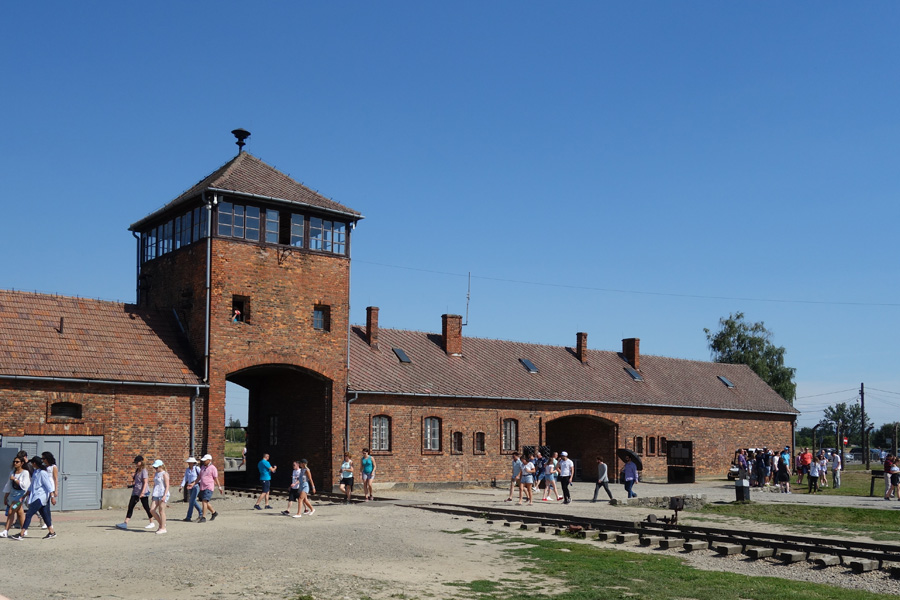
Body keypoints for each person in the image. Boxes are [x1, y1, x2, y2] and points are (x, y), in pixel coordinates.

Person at [10, 456, 56, 540]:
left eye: (32, 463)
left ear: (34, 463)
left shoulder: (43, 473)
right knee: (44, 514)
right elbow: (32, 486)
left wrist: (52, 497)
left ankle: (22, 533)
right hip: (35, 496)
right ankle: (52, 532)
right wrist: (25, 495)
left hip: (40, 497)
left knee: (29, 514)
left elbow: (49, 486)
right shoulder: (36, 472)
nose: (31, 464)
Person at [116, 455, 155, 530]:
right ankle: (125, 523)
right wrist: (133, 476)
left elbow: (145, 482)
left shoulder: (144, 471)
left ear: (141, 462)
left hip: (143, 492)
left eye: (137, 462)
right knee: (130, 506)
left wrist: (142, 493)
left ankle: (151, 522)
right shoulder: (138, 470)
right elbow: (137, 481)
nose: (136, 464)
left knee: (146, 507)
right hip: (136, 491)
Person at [1, 455, 30, 537]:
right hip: (13, 494)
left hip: (21, 496)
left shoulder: (25, 473)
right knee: (20, 513)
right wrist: (5, 496)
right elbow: (8, 485)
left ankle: (6, 531)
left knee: (11, 511)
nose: (15, 463)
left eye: (17, 462)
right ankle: (24, 530)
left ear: (22, 463)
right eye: (14, 461)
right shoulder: (12, 472)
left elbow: (24, 486)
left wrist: (15, 479)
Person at [197, 454, 224, 522]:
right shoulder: (203, 467)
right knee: (205, 502)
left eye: (205, 460)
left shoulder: (213, 468)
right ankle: (214, 512)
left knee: (204, 501)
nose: (204, 462)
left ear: (209, 460)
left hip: (209, 487)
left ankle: (203, 517)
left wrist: (219, 487)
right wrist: (193, 483)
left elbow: (216, 478)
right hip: (202, 486)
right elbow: (199, 477)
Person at [179, 457, 203, 522]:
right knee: (193, 501)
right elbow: (185, 478)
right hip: (190, 487)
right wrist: (182, 486)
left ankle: (188, 517)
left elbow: (201, 476)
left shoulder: (197, 468)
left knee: (191, 501)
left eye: (190, 462)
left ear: (193, 463)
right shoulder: (187, 470)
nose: (189, 463)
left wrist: (196, 482)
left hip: (196, 486)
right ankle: (201, 512)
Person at [149, 459, 169, 534]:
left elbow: (167, 486)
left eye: (156, 467)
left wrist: (165, 495)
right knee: (152, 510)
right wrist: (153, 494)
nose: (155, 469)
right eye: (155, 468)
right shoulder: (156, 474)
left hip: (162, 493)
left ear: (161, 466)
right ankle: (162, 524)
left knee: (161, 511)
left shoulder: (165, 474)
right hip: (156, 493)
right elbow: (155, 484)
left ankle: (163, 528)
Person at [40, 452, 59, 528]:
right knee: (44, 504)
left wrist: (56, 490)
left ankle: (48, 522)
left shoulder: (53, 467)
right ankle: (47, 521)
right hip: (44, 486)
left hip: (50, 486)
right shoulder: (43, 467)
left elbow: (55, 478)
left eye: (44, 458)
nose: (43, 460)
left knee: (46, 505)